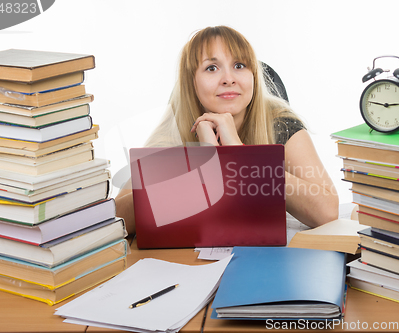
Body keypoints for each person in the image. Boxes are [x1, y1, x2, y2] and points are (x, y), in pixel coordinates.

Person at [115, 26, 338, 235]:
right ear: (191, 82)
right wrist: (204, 163)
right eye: (211, 68)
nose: (229, 79)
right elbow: (117, 217)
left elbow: (327, 211)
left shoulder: (279, 123)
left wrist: (241, 154)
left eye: (239, 65)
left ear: (254, 77)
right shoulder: (171, 134)